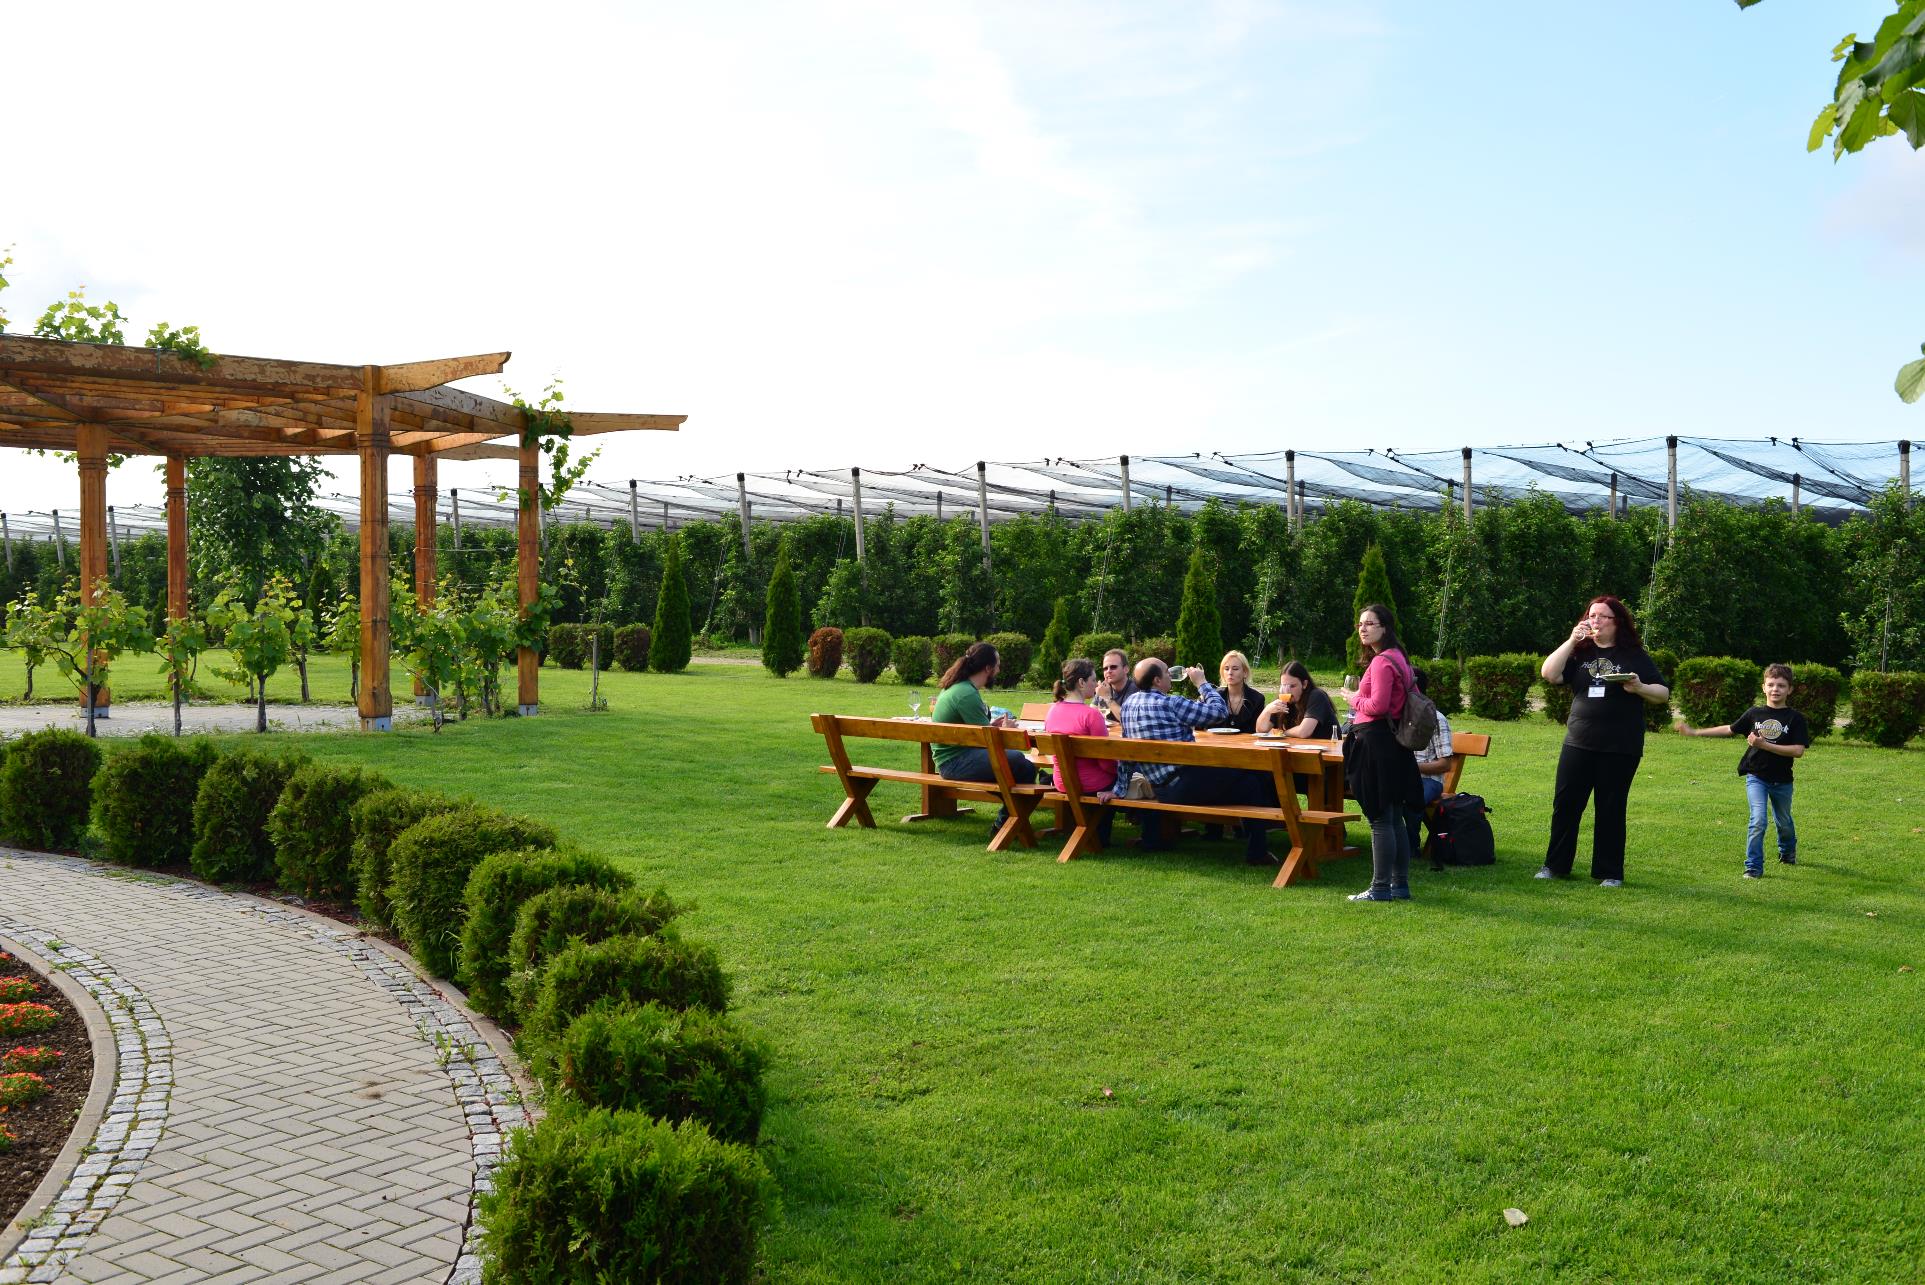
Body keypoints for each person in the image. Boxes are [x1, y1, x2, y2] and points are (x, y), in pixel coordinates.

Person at [1536, 595, 1670, 887]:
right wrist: (1572, 640)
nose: (1594, 621)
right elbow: (1549, 673)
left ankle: (1609, 873)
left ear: (1616, 622)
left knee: (1610, 808)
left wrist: (1639, 687)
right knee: (1566, 805)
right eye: (1591, 615)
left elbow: (1662, 694)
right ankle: (1555, 866)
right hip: (1578, 741)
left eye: (1601, 616)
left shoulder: (1633, 655)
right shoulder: (1580, 652)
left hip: (1620, 745)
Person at [1117, 658, 1274, 866]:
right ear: (1157, 680)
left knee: (1238, 777)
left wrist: (1118, 789)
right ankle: (1257, 851)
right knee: (1253, 781)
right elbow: (1219, 712)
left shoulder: (1129, 704)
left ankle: (1225, 832)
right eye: (1166, 671)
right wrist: (1201, 683)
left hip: (1161, 790)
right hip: (1186, 787)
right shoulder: (1171, 703)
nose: (1170, 673)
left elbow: (1127, 753)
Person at [1675, 663, 1809, 879]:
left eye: (1781, 685)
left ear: (1790, 690)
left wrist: (1764, 745)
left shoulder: (1795, 718)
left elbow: (1798, 750)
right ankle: (1753, 867)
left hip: (1782, 781)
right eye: (1771, 684)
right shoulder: (1754, 713)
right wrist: (1696, 732)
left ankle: (1787, 851)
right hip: (1756, 777)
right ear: (1763, 687)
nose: (1776, 689)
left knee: (1783, 822)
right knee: (1758, 820)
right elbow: (1730, 729)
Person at [1335, 603, 1425, 901]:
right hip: (1393, 746)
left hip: (1376, 746)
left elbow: (1378, 706)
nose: (1363, 628)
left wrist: (1352, 698)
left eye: (1370, 623)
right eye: (1361, 624)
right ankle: (1399, 886)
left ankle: (1379, 888)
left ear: (1385, 628)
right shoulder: (1399, 658)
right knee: (1394, 816)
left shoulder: (1382, 662)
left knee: (1380, 819)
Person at [931, 642, 1038, 826]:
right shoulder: (966, 694)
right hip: (954, 763)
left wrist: (991, 726)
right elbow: (988, 742)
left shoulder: (957, 687)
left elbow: (978, 732)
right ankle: (1005, 823)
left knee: (1020, 769)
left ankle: (1009, 819)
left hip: (950, 759)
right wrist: (1007, 731)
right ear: (987, 668)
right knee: (1022, 764)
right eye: (997, 665)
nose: (999, 669)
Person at [1044, 657, 1120, 845]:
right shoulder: (1091, 715)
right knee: (1127, 776)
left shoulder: (1052, 710)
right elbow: (1105, 761)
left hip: (1062, 781)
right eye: (1093, 680)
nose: (1096, 684)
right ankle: (1101, 836)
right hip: (1091, 784)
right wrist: (1118, 771)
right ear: (1081, 682)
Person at [1407, 665, 1455, 858]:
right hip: (1403, 776)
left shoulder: (1436, 719)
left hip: (1428, 779)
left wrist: (1411, 768)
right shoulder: (1396, 716)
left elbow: (1445, 764)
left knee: (1410, 798)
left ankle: (1410, 849)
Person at [1258, 661, 1339, 739]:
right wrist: (1267, 710)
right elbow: (1261, 730)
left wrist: (1282, 733)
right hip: (1299, 749)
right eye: (1284, 686)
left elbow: (1304, 732)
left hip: (1328, 750)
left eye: (1292, 686)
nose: (1287, 691)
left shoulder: (1317, 696)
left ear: (1304, 684)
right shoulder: (1283, 700)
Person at [1207, 650, 1265, 734]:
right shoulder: (1214, 696)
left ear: (1245, 673)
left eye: (1235, 669)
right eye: (1226, 669)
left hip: (1245, 745)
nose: (1230, 672)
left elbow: (1258, 731)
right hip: (1217, 744)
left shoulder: (1257, 699)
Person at [1093, 649, 1138, 726]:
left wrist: (1107, 698)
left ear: (1126, 669)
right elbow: (1091, 714)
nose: (1108, 671)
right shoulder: (1103, 688)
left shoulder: (1136, 689)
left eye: (1113, 667)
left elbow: (1128, 719)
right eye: (1105, 668)